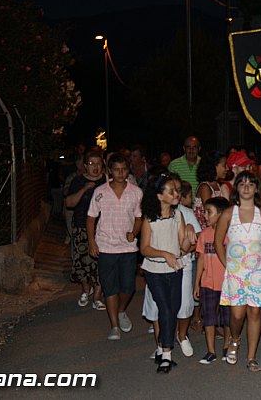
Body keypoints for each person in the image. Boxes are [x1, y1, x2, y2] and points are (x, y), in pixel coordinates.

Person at [215, 171, 261, 372]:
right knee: (237, 314)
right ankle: (235, 339)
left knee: (255, 312)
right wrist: (228, 265)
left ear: (256, 188)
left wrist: (257, 258)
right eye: (242, 184)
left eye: (251, 184)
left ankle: (251, 356)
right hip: (236, 272)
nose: (246, 187)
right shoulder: (228, 213)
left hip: (258, 272)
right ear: (236, 189)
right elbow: (218, 242)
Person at [86, 153, 143, 341]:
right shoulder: (100, 191)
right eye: (116, 170)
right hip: (106, 246)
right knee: (110, 287)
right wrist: (92, 242)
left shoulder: (136, 192)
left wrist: (134, 232)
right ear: (109, 171)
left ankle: (121, 310)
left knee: (128, 287)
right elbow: (91, 218)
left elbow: (138, 217)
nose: (120, 173)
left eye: (124, 169)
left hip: (128, 247)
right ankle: (114, 326)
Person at [139, 173, 192, 373]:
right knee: (165, 308)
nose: (176, 194)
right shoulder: (149, 219)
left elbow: (183, 247)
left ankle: (161, 348)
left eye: (176, 190)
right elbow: (144, 248)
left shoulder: (178, 216)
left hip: (174, 269)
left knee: (173, 308)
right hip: (154, 270)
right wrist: (164, 254)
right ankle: (167, 355)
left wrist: (189, 232)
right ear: (159, 196)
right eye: (171, 191)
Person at [65, 150, 105, 309]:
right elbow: (69, 203)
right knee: (82, 261)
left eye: (98, 163)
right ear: (85, 166)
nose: (95, 167)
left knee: (101, 263)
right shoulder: (78, 181)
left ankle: (97, 296)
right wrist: (84, 189)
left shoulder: (106, 181)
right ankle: (85, 290)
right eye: (91, 163)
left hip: (102, 228)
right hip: (81, 226)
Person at [193, 197, 231, 364]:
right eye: (205, 212)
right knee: (208, 317)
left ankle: (227, 346)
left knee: (227, 318)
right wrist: (197, 283)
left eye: (209, 212)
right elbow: (201, 259)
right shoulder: (204, 234)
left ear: (222, 214)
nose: (205, 215)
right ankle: (210, 350)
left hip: (227, 283)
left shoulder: (230, 235)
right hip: (208, 282)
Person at [174, 178, 200, 357]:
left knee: (185, 302)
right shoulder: (156, 211)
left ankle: (182, 335)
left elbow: (196, 240)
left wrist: (182, 251)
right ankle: (162, 343)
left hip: (183, 262)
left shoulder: (187, 213)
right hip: (161, 263)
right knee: (163, 304)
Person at [194, 150, 228, 228]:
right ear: (213, 166)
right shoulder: (205, 187)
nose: (227, 168)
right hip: (205, 229)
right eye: (224, 165)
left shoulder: (218, 185)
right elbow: (209, 211)